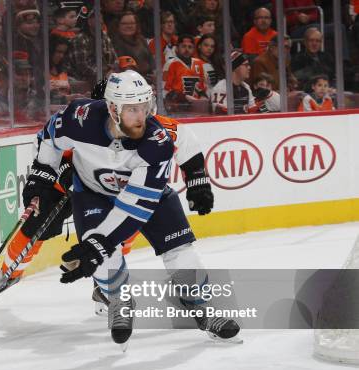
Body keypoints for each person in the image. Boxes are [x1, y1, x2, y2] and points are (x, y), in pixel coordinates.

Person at [20, 70, 239, 345]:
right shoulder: (79, 118)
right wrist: (42, 178)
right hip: (93, 193)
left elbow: (136, 206)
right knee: (103, 261)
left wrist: (98, 245)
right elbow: (49, 138)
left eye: (145, 108)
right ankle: (119, 300)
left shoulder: (157, 141)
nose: (142, 117)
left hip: (147, 197)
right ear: (112, 108)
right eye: (133, 109)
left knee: (180, 252)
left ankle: (201, 306)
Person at [163, 34, 210, 107]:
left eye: (190, 47)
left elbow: (202, 87)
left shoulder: (199, 64)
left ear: (194, 49)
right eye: (183, 46)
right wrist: (183, 97)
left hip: (196, 107)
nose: (187, 49)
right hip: (177, 107)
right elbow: (165, 91)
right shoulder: (170, 64)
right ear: (177, 48)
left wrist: (203, 96)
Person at [290, 27, 334, 92]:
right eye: (311, 40)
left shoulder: (327, 57)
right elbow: (300, 79)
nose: (314, 44)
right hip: (308, 92)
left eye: (318, 41)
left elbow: (332, 75)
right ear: (305, 42)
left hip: (328, 89)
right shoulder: (297, 58)